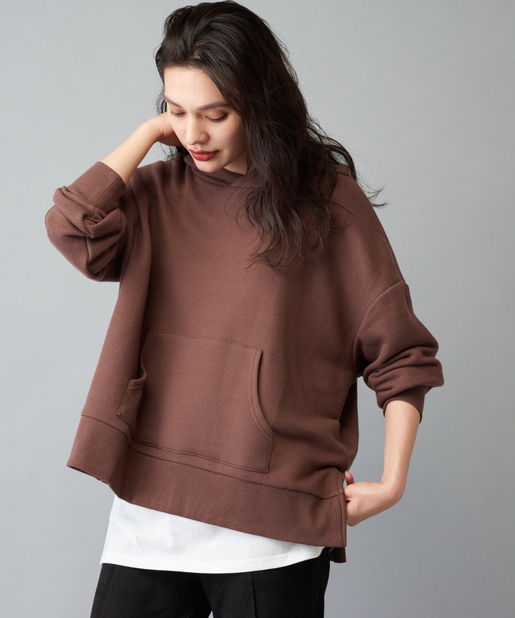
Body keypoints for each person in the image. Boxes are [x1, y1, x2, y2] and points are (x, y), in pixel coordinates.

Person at [45, 2, 444, 617]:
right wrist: (147, 135)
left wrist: (392, 482)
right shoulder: (153, 194)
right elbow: (73, 228)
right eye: (176, 111)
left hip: (273, 529)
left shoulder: (327, 205)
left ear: (259, 102)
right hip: (149, 517)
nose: (193, 135)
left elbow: (402, 353)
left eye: (216, 114)